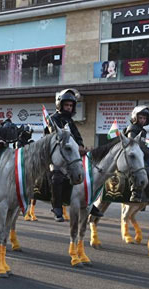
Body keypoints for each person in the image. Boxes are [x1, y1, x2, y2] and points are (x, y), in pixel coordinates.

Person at [44, 88, 102, 221]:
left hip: (70, 156)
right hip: (55, 156)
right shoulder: (53, 119)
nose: (69, 107)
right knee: (57, 177)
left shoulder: (70, 121)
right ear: (60, 105)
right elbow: (55, 138)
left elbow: (77, 136)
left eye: (71, 105)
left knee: (86, 174)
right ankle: (57, 207)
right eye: (66, 105)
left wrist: (81, 146)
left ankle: (88, 202)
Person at [124, 105, 149, 202]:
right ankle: (136, 193)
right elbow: (133, 145)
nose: (142, 120)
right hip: (133, 156)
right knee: (144, 170)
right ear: (135, 117)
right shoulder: (132, 128)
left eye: (144, 118)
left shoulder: (142, 130)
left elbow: (142, 145)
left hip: (141, 154)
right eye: (140, 117)